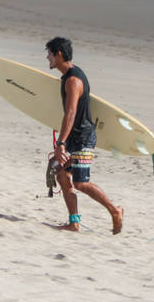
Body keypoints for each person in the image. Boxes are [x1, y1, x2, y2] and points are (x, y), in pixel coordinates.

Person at [45, 36, 123, 234]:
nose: (47, 58)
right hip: (74, 136)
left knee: (80, 183)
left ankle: (115, 210)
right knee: (62, 175)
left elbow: (70, 113)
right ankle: (74, 222)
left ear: (59, 54)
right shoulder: (69, 75)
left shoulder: (73, 80)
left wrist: (61, 143)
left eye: (50, 54)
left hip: (82, 137)